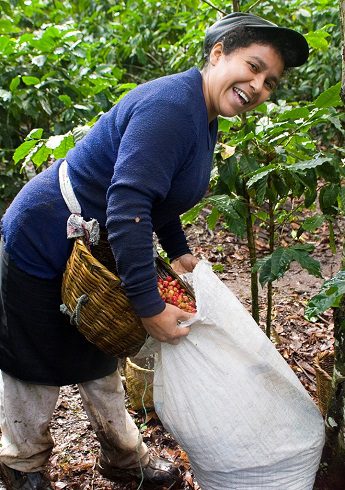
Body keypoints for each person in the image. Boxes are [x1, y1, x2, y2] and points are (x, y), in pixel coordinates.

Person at [0, 11, 309, 490]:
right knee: (32, 363)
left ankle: (122, 457)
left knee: (100, 347)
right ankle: (22, 465)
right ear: (217, 53)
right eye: (252, 66)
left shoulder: (203, 118)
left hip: (91, 241)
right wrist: (147, 307)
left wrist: (179, 250)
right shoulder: (171, 107)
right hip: (43, 237)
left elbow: (157, 197)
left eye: (269, 82)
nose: (259, 85)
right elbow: (127, 208)